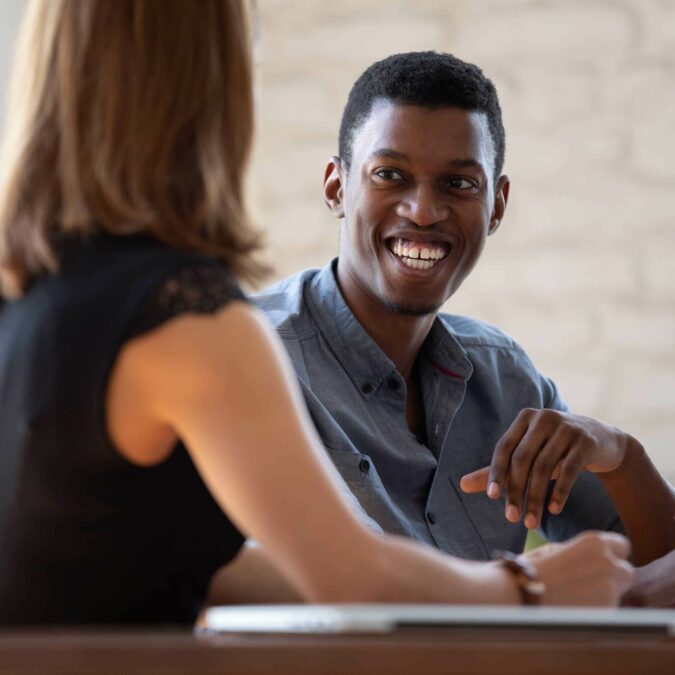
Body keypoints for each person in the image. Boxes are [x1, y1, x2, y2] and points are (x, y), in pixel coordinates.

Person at [0, 2, 634, 625]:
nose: (421, 209)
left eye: (457, 183)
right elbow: (356, 577)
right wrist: (530, 587)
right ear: (214, 85)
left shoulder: (29, 301)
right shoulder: (189, 321)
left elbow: (159, 563)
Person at [239, 51, 674, 605]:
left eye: (459, 183)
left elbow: (658, 568)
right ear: (336, 188)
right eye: (389, 174)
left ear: (496, 205)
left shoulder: (505, 377)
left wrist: (620, 454)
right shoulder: (254, 357)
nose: (423, 210)